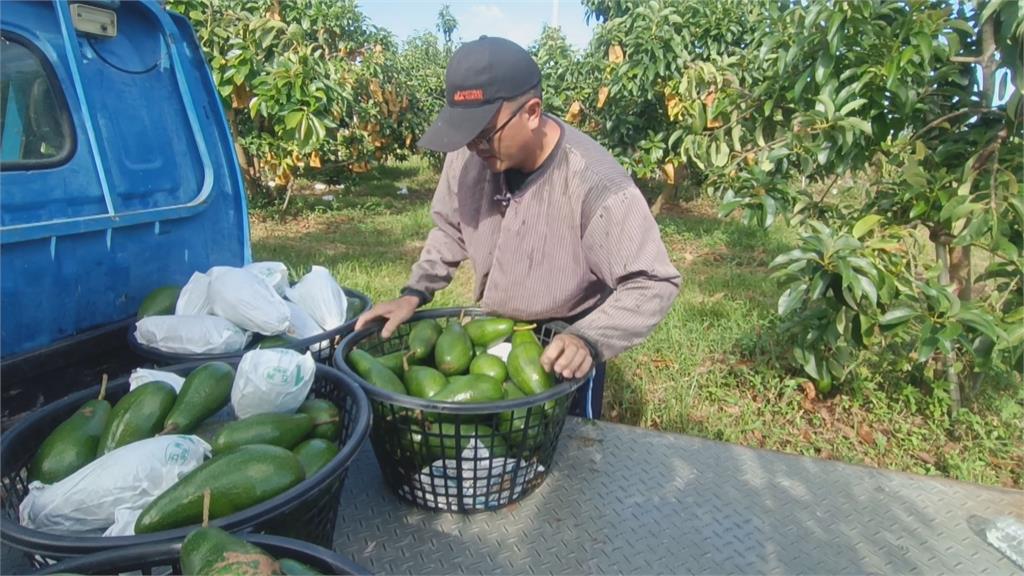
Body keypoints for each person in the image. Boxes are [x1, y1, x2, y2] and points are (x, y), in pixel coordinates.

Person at [355, 36, 680, 419]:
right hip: (491, 336)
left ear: (532, 111)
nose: (474, 146)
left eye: (484, 132)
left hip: (566, 345)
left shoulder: (596, 183)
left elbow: (653, 282)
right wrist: (414, 292)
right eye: (466, 133)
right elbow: (450, 228)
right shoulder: (470, 154)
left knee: (568, 452)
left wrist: (588, 340)